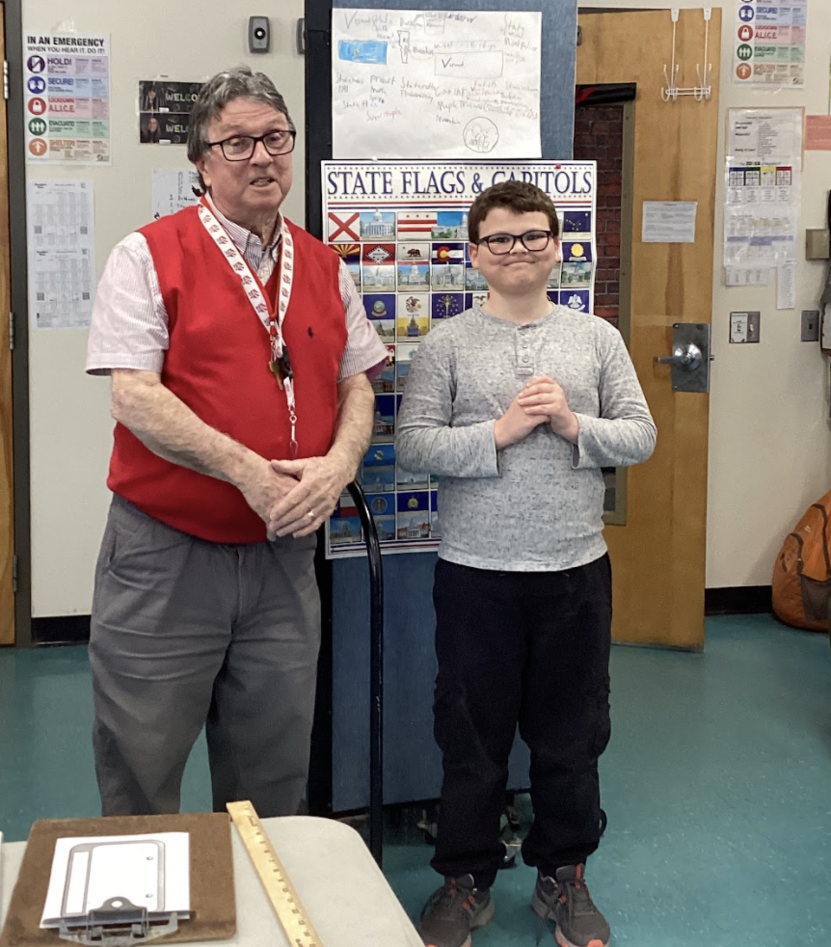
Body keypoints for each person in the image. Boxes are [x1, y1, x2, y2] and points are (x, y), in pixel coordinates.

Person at [86, 66, 386, 818]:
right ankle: (146, 920)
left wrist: (340, 463)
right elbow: (135, 397)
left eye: (275, 139)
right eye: (238, 142)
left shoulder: (323, 265)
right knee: (143, 759)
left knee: (274, 767)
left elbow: (357, 383)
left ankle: (260, 917)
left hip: (284, 558)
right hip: (166, 555)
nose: (261, 157)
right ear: (202, 161)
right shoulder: (146, 256)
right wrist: (249, 472)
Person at [396, 181, 657, 947]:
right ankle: (465, 880)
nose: (518, 249)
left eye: (533, 235)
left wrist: (576, 425)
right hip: (475, 573)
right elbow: (413, 446)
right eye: (500, 239)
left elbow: (639, 436)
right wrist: (499, 433)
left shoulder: (595, 339)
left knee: (572, 735)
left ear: (556, 246)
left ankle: (562, 876)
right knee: (470, 736)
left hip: (574, 573)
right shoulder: (445, 343)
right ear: (475, 254)